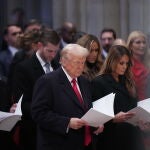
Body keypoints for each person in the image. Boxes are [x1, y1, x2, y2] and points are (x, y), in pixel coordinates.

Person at [31, 44, 104, 150]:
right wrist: (67, 123)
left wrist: (96, 123)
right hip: (58, 144)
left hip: (85, 144)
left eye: (83, 62)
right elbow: (38, 113)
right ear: (63, 61)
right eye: (77, 62)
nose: (80, 67)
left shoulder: (84, 82)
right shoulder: (47, 81)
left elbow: (86, 110)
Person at [11, 28, 60, 150]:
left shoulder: (58, 65)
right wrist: (47, 113)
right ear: (39, 45)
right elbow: (22, 103)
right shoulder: (24, 68)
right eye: (49, 51)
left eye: (56, 51)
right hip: (34, 131)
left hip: (57, 130)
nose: (53, 55)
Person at [92, 45, 145, 150]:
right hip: (112, 138)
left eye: (127, 63)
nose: (124, 66)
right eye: (121, 63)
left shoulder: (128, 81)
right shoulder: (99, 82)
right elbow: (96, 118)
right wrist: (113, 119)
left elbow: (135, 106)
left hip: (133, 137)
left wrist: (142, 120)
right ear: (112, 61)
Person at [127, 30, 150, 100]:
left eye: (144, 42)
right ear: (130, 45)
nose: (142, 45)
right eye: (138, 42)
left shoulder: (148, 61)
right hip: (134, 102)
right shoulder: (126, 64)